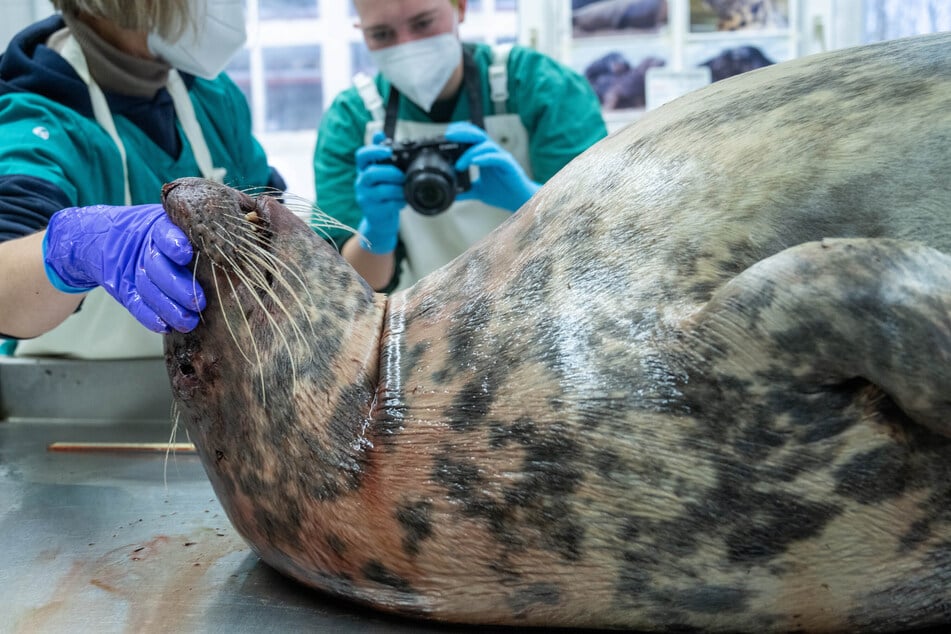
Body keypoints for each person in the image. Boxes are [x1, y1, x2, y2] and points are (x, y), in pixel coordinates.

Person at [0, 0, 285, 359]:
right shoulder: (36, 122)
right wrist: (75, 248)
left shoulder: (212, 96)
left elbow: (277, 237)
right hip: (76, 402)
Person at [313, 0, 607, 292]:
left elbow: (599, 236)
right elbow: (348, 289)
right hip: (419, 321)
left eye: (423, 23)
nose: (406, 46)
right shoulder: (350, 120)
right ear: (361, 30)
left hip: (546, 297)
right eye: (381, 34)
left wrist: (529, 201)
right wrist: (376, 233)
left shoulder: (540, 86)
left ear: (461, 8)